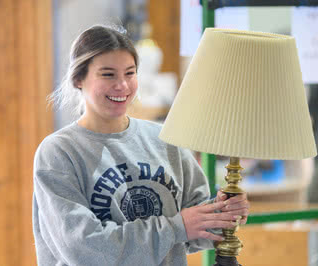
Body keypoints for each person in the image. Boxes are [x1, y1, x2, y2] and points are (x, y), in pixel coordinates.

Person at [32, 24, 249, 266]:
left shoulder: (165, 141)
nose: (122, 85)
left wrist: (224, 214)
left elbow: (191, 233)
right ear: (78, 79)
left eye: (130, 73)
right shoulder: (58, 153)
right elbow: (85, 250)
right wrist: (177, 226)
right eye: (108, 74)